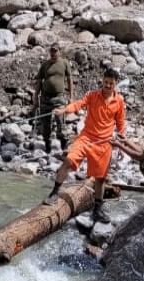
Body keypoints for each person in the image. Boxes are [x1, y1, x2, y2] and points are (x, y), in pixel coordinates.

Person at [43, 69, 127, 224]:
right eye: (106, 82)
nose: (107, 85)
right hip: (86, 138)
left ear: (116, 84)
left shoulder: (119, 101)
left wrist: (121, 143)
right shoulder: (92, 95)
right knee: (68, 161)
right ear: (102, 80)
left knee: (100, 179)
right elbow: (78, 104)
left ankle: (97, 209)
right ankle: (55, 192)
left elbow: (121, 123)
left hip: (104, 143)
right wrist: (64, 110)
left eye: (111, 83)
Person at [34, 45, 74, 153]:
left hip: (59, 97)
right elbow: (38, 82)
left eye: (55, 51)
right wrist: (35, 98)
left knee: (60, 121)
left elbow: (70, 80)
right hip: (45, 98)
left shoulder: (64, 63)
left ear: (59, 52)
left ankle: (63, 144)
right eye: (51, 51)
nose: (53, 53)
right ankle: (47, 144)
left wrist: (71, 97)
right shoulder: (45, 65)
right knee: (45, 123)